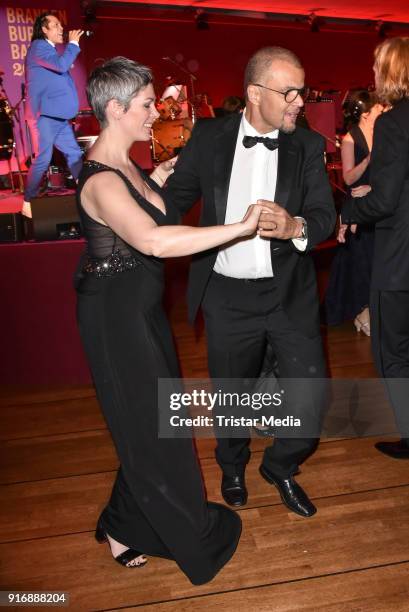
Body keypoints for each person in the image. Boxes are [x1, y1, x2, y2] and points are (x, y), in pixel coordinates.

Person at [76, 56, 264, 585]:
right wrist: (238, 228)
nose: (154, 111)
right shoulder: (101, 181)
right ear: (115, 110)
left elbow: (154, 212)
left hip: (141, 313)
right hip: (115, 322)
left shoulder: (131, 165)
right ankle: (124, 531)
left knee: (150, 425)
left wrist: (158, 177)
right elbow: (156, 240)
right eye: (144, 104)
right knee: (151, 431)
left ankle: (119, 519)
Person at [167, 47, 336, 517]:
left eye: (301, 91)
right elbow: (175, 199)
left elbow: (324, 215)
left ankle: (280, 464)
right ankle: (233, 465)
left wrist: (296, 227)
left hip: (289, 296)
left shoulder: (307, 145)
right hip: (226, 295)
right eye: (289, 93)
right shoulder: (209, 137)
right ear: (254, 94)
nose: (299, 102)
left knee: (309, 402)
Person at [342, 37, 409, 459]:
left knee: (394, 354)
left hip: (400, 258)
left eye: (376, 67)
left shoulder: (393, 121)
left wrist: (350, 208)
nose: (372, 75)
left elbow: (384, 201)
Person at [325, 90, 384, 335]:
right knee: (362, 260)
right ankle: (362, 311)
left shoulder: (384, 132)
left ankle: (373, 310)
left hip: (379, 202)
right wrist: (368, 160)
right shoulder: (351, 139)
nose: (383, 109)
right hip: (359, 206)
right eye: (379, 107)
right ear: (366, 112)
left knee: (377, 259)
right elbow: (348, 178)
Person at [22, 13, 84, 217]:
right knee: (43, 158)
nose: (61, 29)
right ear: (44, 29)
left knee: (74, 154)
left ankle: (86, 194)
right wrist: (73, 44)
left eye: (61, 24)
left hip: (56, 116)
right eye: (55, 25)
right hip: (44, 116)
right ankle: (28, 202)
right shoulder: (39, 46)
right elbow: (60, 66)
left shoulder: (49, 51)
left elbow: (58, 68)